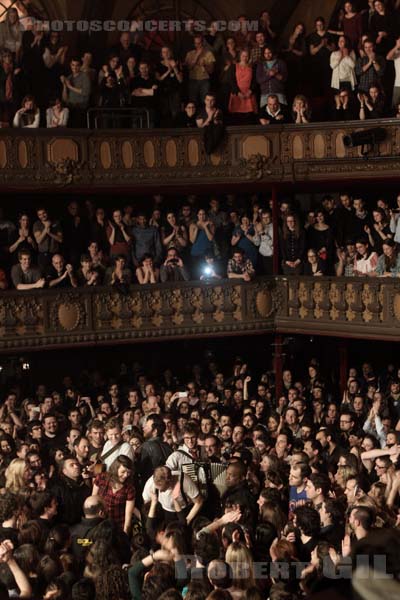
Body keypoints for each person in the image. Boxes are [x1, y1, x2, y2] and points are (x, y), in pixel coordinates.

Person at [92, 456, 135, 534]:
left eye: (128, 472)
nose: (126, 475)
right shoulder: (101, 478)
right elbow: (93, 500)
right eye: (123, 472)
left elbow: (128, 518)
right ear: (115, 469)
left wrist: (124, 535)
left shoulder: (129, 488)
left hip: (118, 524)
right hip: (100, 523)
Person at [227, 49, 257, 124]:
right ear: (240, 56)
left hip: (249, 95)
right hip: (237, 95)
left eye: (247, 56)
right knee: (236, 118)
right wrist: (238, 92)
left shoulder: (252, 67)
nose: (245, 58)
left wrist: (250, 91)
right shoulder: (234, 66)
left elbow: (255, 81)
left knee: (249, 119)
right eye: (243, 56)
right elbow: (231, 81)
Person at [185, 34, 216, 105]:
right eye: (196, 43)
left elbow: (211, 71)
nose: (198, 45)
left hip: (204, 80)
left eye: (199, 43)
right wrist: (197, 55)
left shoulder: (209, 53)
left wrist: (204, 65)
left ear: (202, 43)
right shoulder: (190, 54)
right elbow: (189, 68)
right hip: (193, 80)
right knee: (192, 101)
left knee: (205, 102)